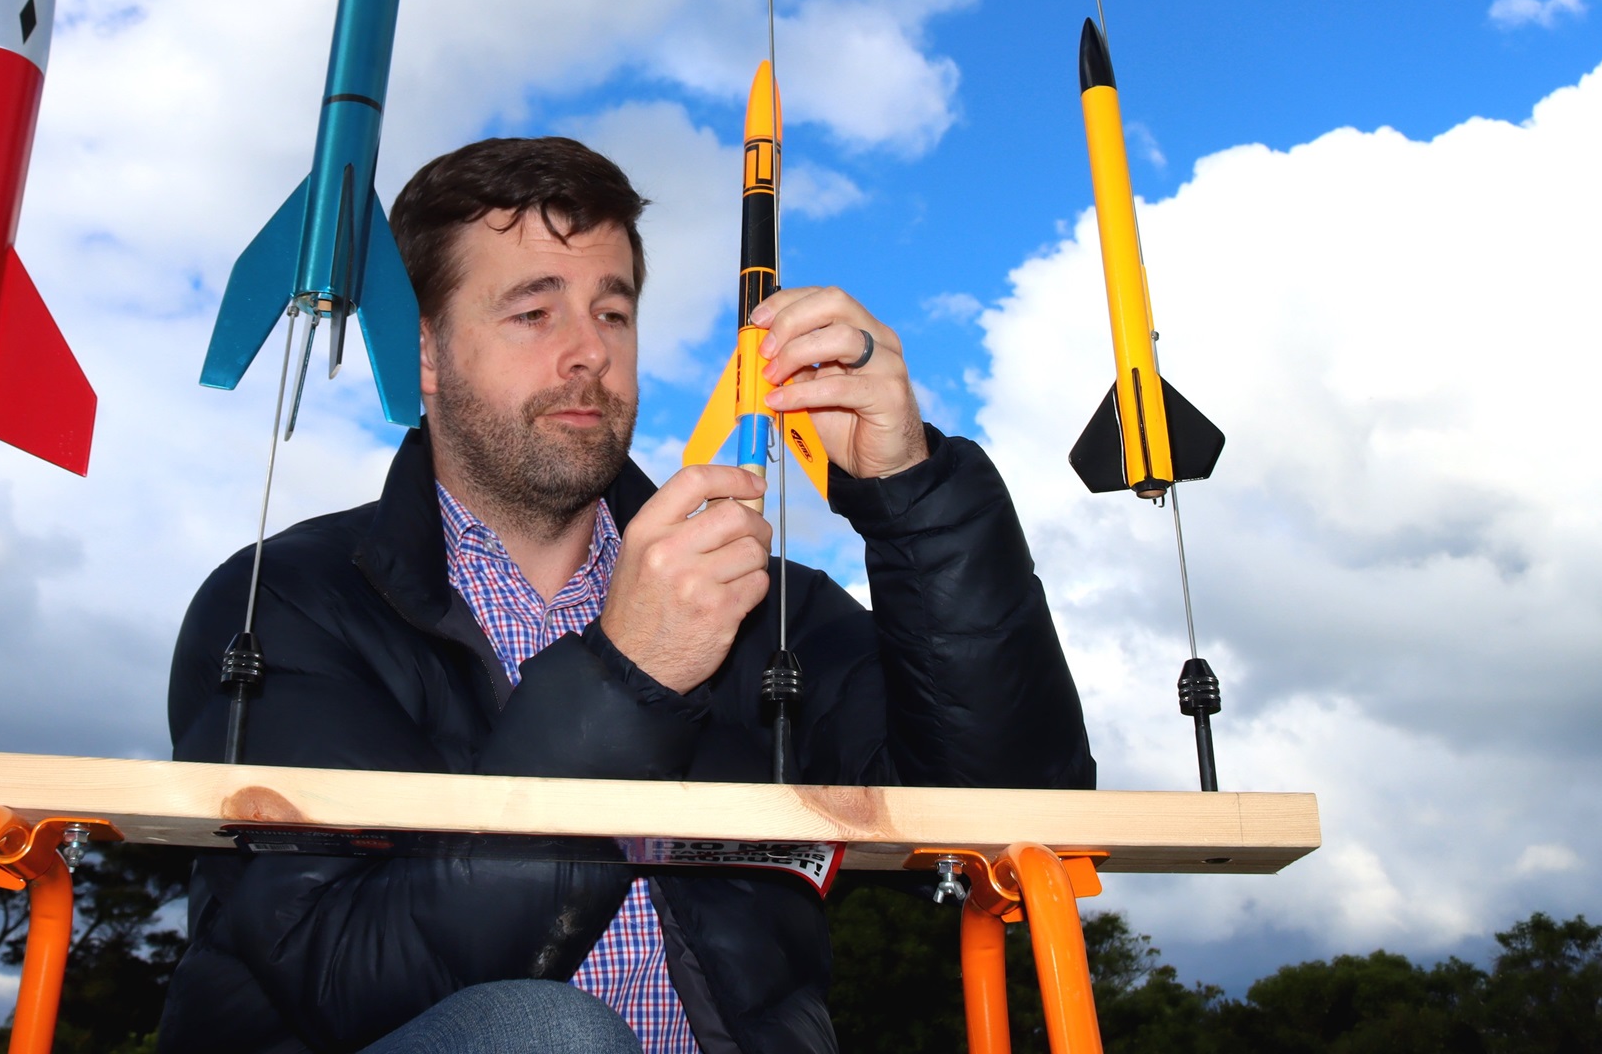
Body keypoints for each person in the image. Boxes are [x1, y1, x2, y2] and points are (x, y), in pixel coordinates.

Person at [160, 138, 1094, 1054]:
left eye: (613, 313)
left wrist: (912, 495)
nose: (588, 354)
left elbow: (1017, 807)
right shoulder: (288, 602)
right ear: (426, 354)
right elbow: (345, 976)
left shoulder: (761, 608)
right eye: (534, 313)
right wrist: (631, 679)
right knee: (544, 1037)